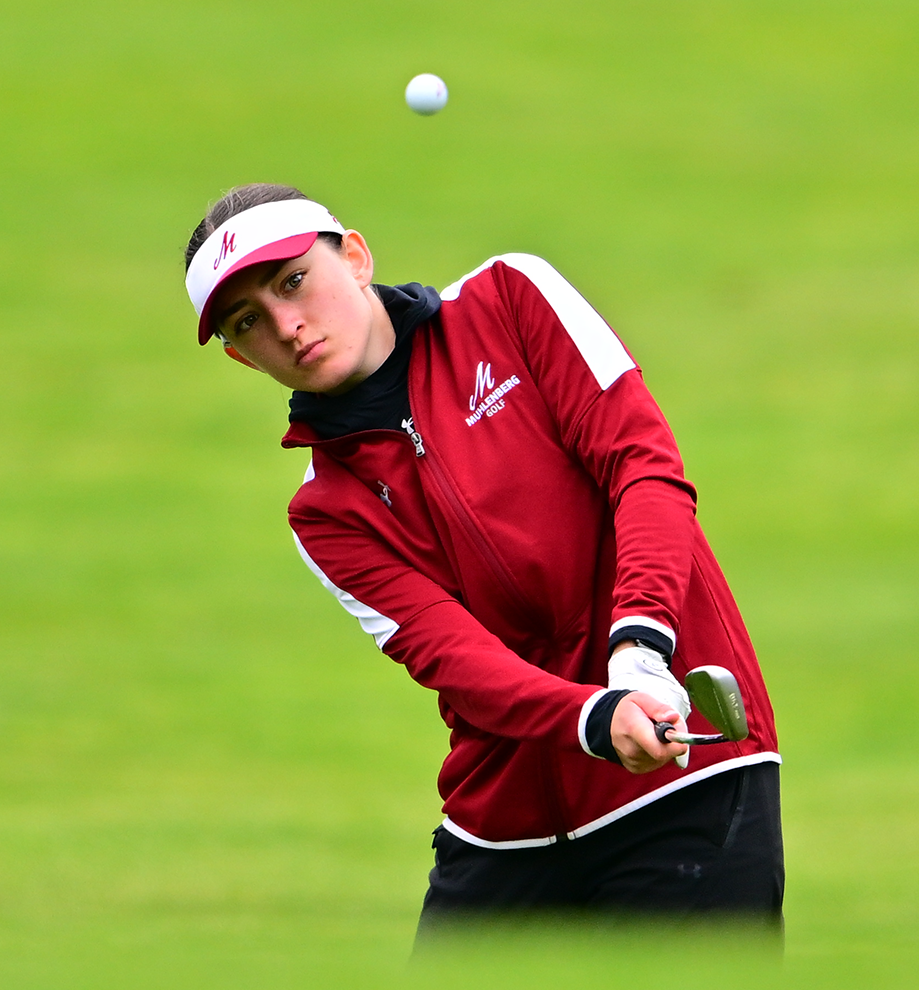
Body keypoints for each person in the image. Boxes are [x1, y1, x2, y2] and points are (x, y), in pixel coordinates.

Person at [182, 184, 783, 940]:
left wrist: (639, 650)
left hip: (684, 779)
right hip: (502, 832)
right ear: (241, 358)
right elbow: (459, 660)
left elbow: (644, 470)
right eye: (248, 322)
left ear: (356, 257)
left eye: (293, 281)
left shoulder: (510, 300)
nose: (285, 325)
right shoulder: (325, 512)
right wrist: (595, 715)